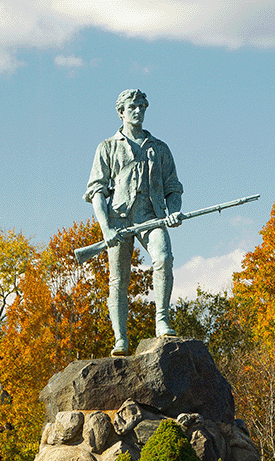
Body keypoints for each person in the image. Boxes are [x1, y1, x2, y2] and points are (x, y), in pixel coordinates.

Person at [85, 88, 184, 356]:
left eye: (142, 106)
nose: (138, 111)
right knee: (118, 280)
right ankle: (120, 339)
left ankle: (162, 320)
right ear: (121, 112)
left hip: (151, 215)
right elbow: (97, 191)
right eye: (133, 107)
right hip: (118, 220)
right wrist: (106, 228)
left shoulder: (159, 148)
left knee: (163, 257)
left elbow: (173, 187)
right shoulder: (106, 147)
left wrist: (173, 210)